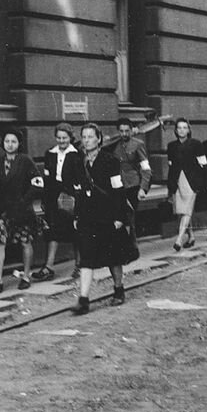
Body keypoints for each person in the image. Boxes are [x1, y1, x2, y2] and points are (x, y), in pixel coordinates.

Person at [70, 123, 131, 314]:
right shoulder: (78, 162)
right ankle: (83, 299)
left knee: (113, 256)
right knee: (86, 257)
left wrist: (121, 217)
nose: (87, 140)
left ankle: (119, 289)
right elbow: (78, 191)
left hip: (108, 215)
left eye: (90, 137)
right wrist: (77, 215)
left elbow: (118, 189)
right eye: (84, 137)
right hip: (88, 216)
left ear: (99, 139)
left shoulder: (110, 161)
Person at [0, 127, 44, 293]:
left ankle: (25, 276)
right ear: (2, 143)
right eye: (7, 141)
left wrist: (23, 201)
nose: (9, 145)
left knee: (25, 241)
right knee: (0, 242)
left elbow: (38, 184)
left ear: (19, 144)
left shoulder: (25, 161)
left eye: (13, 142)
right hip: (4, 211)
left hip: (22, 211)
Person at [31, 123, 82, 282]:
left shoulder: (77, 154)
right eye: (59, 138)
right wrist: (45, 200)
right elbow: (47, 178)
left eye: (64, 138)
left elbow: (80, 178)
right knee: (52, 231)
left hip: (71, 196)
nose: (61, 141)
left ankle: (79, 265)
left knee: (75, 232)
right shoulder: (50, 154)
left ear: (70, 138)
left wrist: (76, 198)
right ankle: (49, 267)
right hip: (53, 196)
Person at [104, 117, 152, 254]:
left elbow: (145, 167)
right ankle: (124, 245)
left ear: (132, 131)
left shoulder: (138, 144)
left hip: (133, 184)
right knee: (119, 214)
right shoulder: (114, 144)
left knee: (129, 216)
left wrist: (143, 188)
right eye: (121, 131)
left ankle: (132, 246)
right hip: (118, 184)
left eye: (127, 131)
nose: (124, 134)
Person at [167, 118, 207, 252]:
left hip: (192, 182)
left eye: (184, 128)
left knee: (186, 210)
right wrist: (170, 187)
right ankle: (191, 236)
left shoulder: (196, 144)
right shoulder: (171, 146)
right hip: (177, 182)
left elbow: (203, 164)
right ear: (176, 130)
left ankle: (179, 239)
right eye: (179, 128)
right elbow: (171, 167)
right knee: (182, 212)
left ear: (188, 130)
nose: (182, 130)